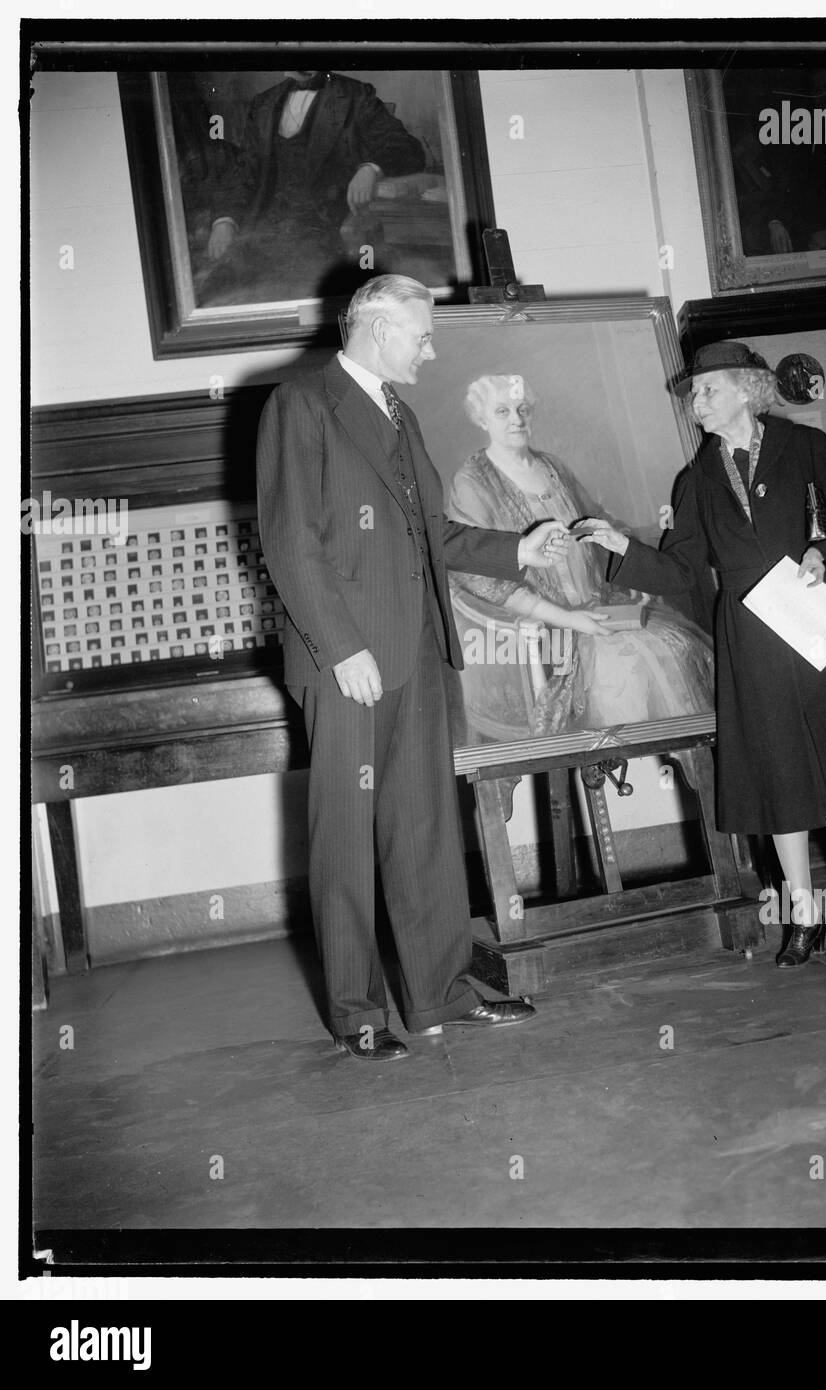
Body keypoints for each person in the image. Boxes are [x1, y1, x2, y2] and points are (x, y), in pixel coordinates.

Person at [256, 276, 569, 1060]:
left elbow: (431, 533)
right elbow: (292, 541)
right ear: (375, 327)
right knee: (347, 842)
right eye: (422, 336)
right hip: (349, 663)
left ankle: (440, 997)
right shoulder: (301, 404)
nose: (432, 350)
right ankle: (358, 1014)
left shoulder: (399, 413)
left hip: (421, 653)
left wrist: (515, 549)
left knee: (425, 830)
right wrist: (343, 649)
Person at [584, 341, 826, 970]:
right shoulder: (698, 478)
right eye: (694, 392)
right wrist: (620, 543)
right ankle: (805, 915)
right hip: (750, 637)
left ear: (744, 390)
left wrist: (825, 556)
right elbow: (680, 569)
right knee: (778, 773)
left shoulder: (806, 448)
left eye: (705, 390)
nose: (694, 401)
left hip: (815, 627)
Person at [445, 374, 714, 745]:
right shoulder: (472, 481)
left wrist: (627, 557)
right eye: (503, 411)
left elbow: (599, 519)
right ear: (481, 418)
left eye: (523, 410)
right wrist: (570, 619)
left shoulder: (551, 466)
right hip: (541, 632)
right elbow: (478, 575)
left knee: (675, 648)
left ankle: (677, 780)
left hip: (599, 604)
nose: (516, 420)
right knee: (625, 672)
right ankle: (634, 782)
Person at [203, 71, 426, 304]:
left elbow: (407, 147)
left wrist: (371, 168)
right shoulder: (264, 102)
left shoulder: (355, 95)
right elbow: (244, 168)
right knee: (214, 296)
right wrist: (225, 220)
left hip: (325, 231)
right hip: (264, 232)